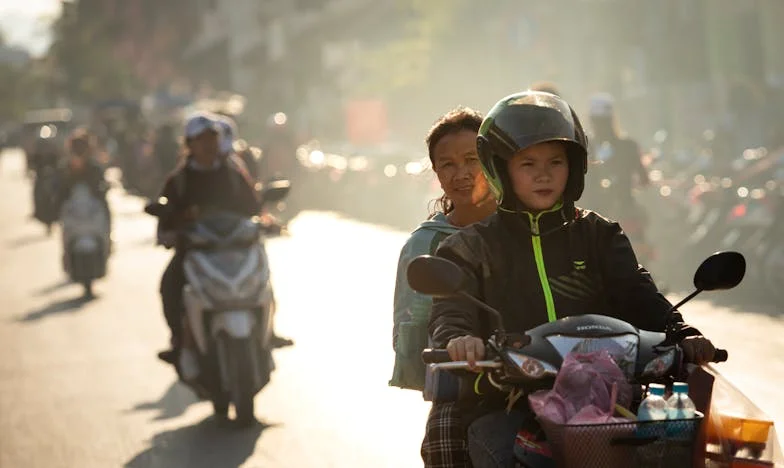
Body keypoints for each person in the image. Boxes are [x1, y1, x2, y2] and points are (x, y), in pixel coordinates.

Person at [427, 91, 718, 467]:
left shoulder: (600, 234)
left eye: (556, 162)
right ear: (500, 168)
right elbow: (452, 309)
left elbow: (639, 294)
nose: (544, 174)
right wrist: (459, 339)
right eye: (528, 163)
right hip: (505, 402)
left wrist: (682, 332)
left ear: (574, 167)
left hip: (606, 403)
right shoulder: (470, 246)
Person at [390, 106, 496, 468]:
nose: (461, 173)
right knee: (444, 440)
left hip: (541, 369)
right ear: (436, 172)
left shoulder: (528, 226)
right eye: (448, 164)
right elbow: (411, 334)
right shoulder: (426, 244)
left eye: (472, 160)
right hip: (463, 384)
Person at [155, 112, 261, 363]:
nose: (208, 145)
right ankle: (178, 341)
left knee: (262, 279)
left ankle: (266, 335)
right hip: (196, 254)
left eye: (212, 138)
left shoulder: (233, 174)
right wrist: (178, 224)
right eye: (201, 139)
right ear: (190, 144)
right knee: (169, 285)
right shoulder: (179, 181)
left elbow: (253, 207)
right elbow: (166, 219)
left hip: (236, 250)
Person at [54, 128, 112, 234]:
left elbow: (101, 188)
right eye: (75, 151)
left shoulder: (94, 169)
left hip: (92, 214)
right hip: (73, 216)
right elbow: (60, 193)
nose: (78, 155)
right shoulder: (64, 169)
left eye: (81, 150)